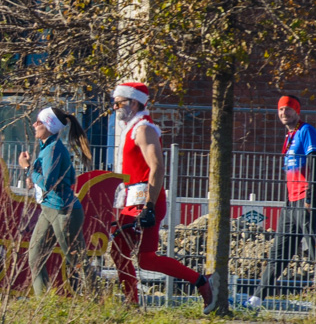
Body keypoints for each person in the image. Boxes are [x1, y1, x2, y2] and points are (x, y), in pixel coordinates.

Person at [109, 81, 216, 311]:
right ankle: (133, 302)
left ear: (134, 103)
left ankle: (200, 282)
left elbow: (157, 167)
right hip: (133, 200)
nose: (115, 107)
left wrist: (148, 206)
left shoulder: (143, 129)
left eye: (119, 102)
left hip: (145, 200)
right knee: (127, 254)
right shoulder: (132, 128)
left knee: (135, 255)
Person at [249, 94, 316, 309]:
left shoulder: (306, 131)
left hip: (307, 201)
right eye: (281, 109)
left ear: (297, 111)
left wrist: (310, 198)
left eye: (288, 109)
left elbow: (315, 161)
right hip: (291, 203)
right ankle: (256, 300)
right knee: (279, 253)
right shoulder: (289, 137)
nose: (284, 113)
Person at [18, 106, 91, 294]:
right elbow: (68, 178)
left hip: (62, 212)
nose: (34, 125)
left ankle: (100, 300)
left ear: (49, 126)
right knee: (35, 256)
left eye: (39, 122)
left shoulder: (53, 149)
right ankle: (43, 304)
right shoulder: (50, 148)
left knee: (77, 260)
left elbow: (49, 183)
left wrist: (28, 169)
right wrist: (34, 177)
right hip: (50, 209)